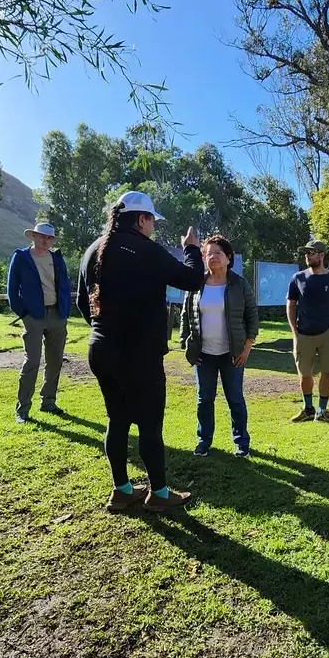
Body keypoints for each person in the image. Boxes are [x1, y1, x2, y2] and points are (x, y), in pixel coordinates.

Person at [77, 191, 204, 513]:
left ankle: (121, 490)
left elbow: (82, 302)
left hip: (101, 349)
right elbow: (192, 279)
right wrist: (191, 248)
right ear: (142, 220)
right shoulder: (146, 250)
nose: (153, 228)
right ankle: (158, 493)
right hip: (138, 354)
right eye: (152, 221)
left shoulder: (93, 250)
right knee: (149, 425)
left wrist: (106, 329)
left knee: (117, 419)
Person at [180, 235, 258, 458]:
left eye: (217, 253)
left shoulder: (239, 284)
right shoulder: (196, 284)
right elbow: (186, 316)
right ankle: (203, 441)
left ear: (228, 258)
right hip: (203, 354)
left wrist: (246, 348)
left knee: (235, 399)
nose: (212, 257)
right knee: (204, 399)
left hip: (232, 354)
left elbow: (252, 317)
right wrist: (186, 345)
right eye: (207, 253)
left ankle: (241, 442)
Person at [7, 222, 72, 423]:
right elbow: (12, 289)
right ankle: (23, 409)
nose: (45, 240)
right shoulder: (21, 257)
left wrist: (65, 310)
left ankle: (48, 402)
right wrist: (23, 313)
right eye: (42, 236)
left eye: (49, 238)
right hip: (33, 317)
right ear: (34, 236)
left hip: (57, 315)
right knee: (32, 362)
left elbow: (65, 285)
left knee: (55, 361)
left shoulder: (57, 259)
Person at [286, 240, 329, 423]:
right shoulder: (298, 278)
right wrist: (294, 330)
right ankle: (308, 409)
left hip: (327, 333)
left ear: (322, 255)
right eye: (306, 253)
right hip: (303, 333)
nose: (307, 256)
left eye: (311, 253)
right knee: (305, 373)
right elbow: (290, 304)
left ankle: (322, 411)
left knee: (327, 371)